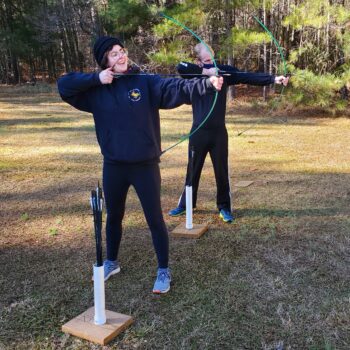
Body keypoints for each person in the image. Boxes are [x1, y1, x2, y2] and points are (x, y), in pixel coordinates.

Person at [57, 36, 223, 294]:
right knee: (114, 216)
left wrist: (206, 84)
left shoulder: (145, 82)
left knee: (154, 219)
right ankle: (112, 262)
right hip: (113, 165)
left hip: (144, 165)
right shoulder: (96, 91)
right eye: (113, 54)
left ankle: (163, 270)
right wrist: (96, 79)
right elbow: (64, 85)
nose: (121, 56)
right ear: (104, 61)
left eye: (121, 51)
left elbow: (175, 88)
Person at [169, 43, 289, 222]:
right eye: (206, 56)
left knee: (221, 172)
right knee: (192, 170)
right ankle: (186, 205)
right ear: (199, 60)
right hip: (198, 132)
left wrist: (273, 79)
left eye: (212, 55)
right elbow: (181, 66)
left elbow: (246, 76)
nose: (211, 58)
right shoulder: (194, 72)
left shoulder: (224, 71)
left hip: (218, 134)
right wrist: (207, 73)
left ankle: (224, 207)